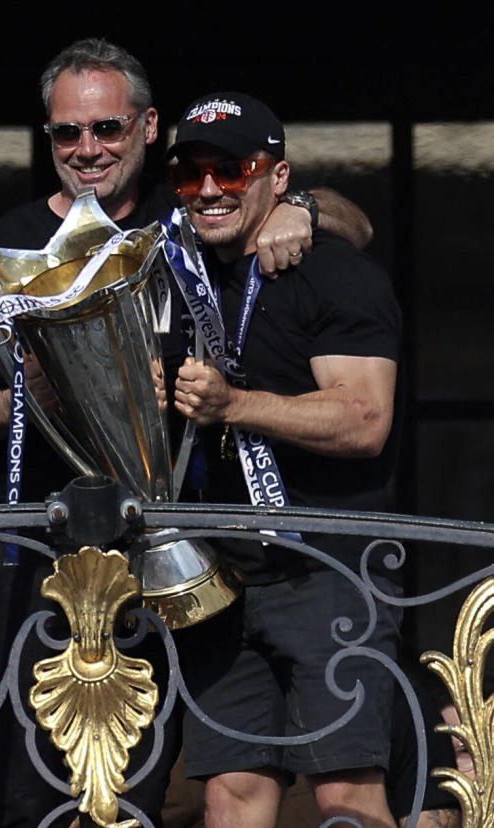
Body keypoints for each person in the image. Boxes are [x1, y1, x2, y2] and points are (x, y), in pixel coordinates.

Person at [0, 37, 379, 828]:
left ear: (146, 129)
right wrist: (34, 393)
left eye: (107, 128)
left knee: (155, 790)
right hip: (44, 563)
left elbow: (355, 224)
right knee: (28, 790)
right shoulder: (1, 252)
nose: (87, 149)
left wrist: (301, 208)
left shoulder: (196, 220)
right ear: (49, 139)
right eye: (68, 133)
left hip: (181, 565)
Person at [167, 91, 402, 828]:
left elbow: (364, 418)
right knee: (230, 792)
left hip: (327, 569)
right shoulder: (169, 267)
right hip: (220, 575)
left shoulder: (334, 272)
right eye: (191, 173)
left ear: (278, 178)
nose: (209, 189)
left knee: (346, 793)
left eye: (233, 171)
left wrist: (233, 404)